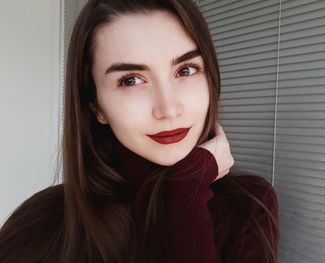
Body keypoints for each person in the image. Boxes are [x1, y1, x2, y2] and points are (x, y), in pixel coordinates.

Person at [0, 0, 279, 262]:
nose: (168, 108)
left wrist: (186, 189)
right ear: (96, 105)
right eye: (131, 80)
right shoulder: (43, 225)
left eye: (186, 70)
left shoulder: (247, 207)